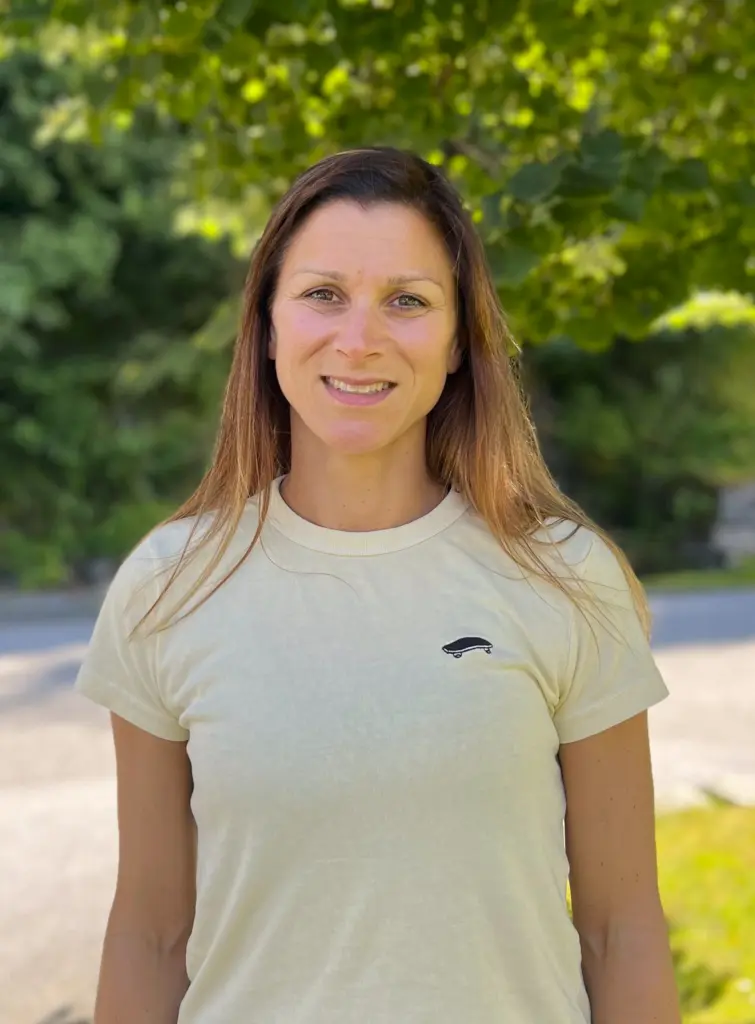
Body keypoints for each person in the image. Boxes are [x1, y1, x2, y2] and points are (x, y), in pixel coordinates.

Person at [75, 146, 680, 1024]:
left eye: (407, 300)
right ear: (268, 326)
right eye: (323, 294)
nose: (358, 339)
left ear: (457, 342)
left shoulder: (563, 577)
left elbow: (619, 932)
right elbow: (150, 937)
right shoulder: (170, 587)